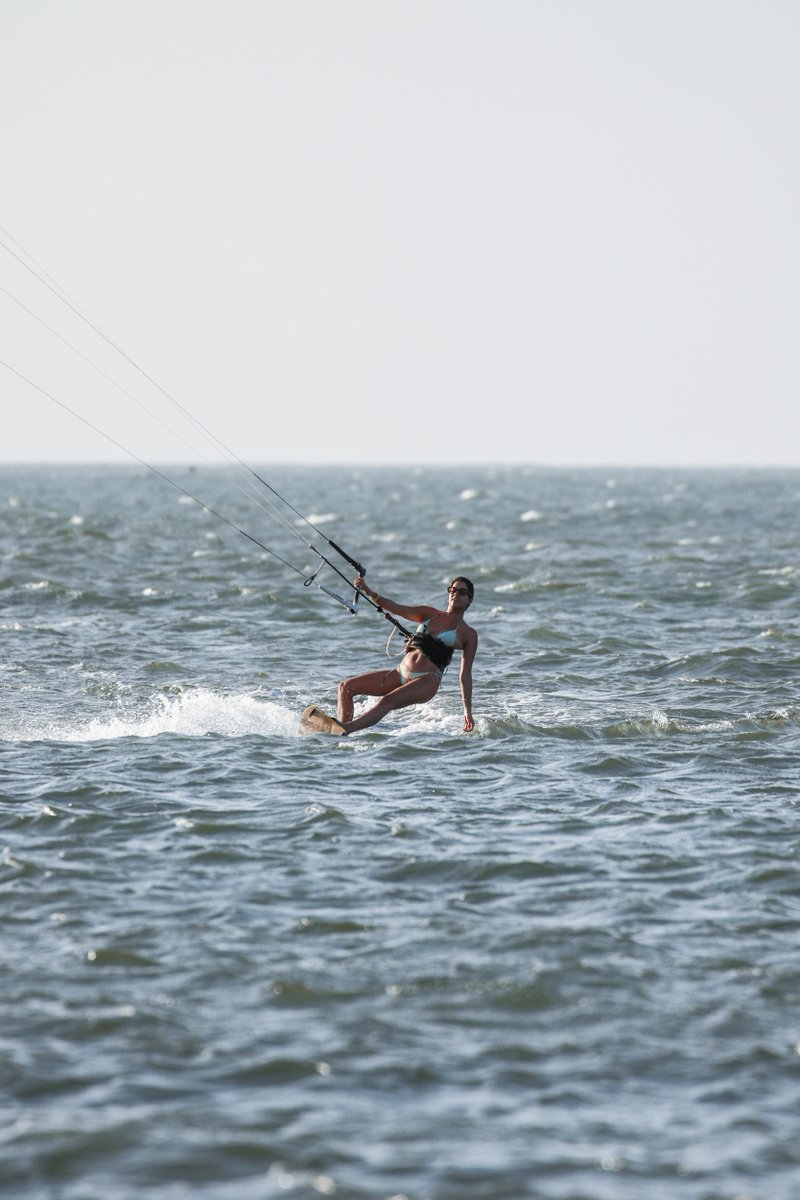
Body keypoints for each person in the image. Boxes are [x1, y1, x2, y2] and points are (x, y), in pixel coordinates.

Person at [337, 575, 478, 734]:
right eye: (452, 590)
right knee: (346, 687)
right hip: (400, 672)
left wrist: (467, 711)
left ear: (469, 599)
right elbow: (397, 608)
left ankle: (346, 729)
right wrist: (370, 593)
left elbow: (465, 675)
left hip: (426, 680)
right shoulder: (429, 613)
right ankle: (341, 730)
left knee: (387, 701)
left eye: (461, 592)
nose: (455, 594)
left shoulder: (468, 634)